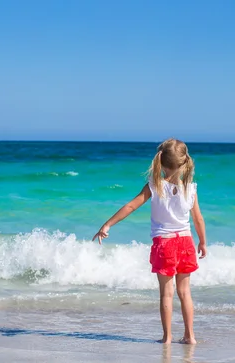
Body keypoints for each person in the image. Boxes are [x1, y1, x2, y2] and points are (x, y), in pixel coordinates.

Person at [92, 138, 207, 344]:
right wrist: (203, 242)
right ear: (183, 163)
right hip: (185, 243)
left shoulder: (154, 186)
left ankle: (167, 337)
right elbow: (198, 219)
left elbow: (130, 206)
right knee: (184, 292)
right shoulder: (191, 189)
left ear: (160, 163)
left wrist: (107, 225)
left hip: (164, 243)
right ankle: (190, 336)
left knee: (166, 294)